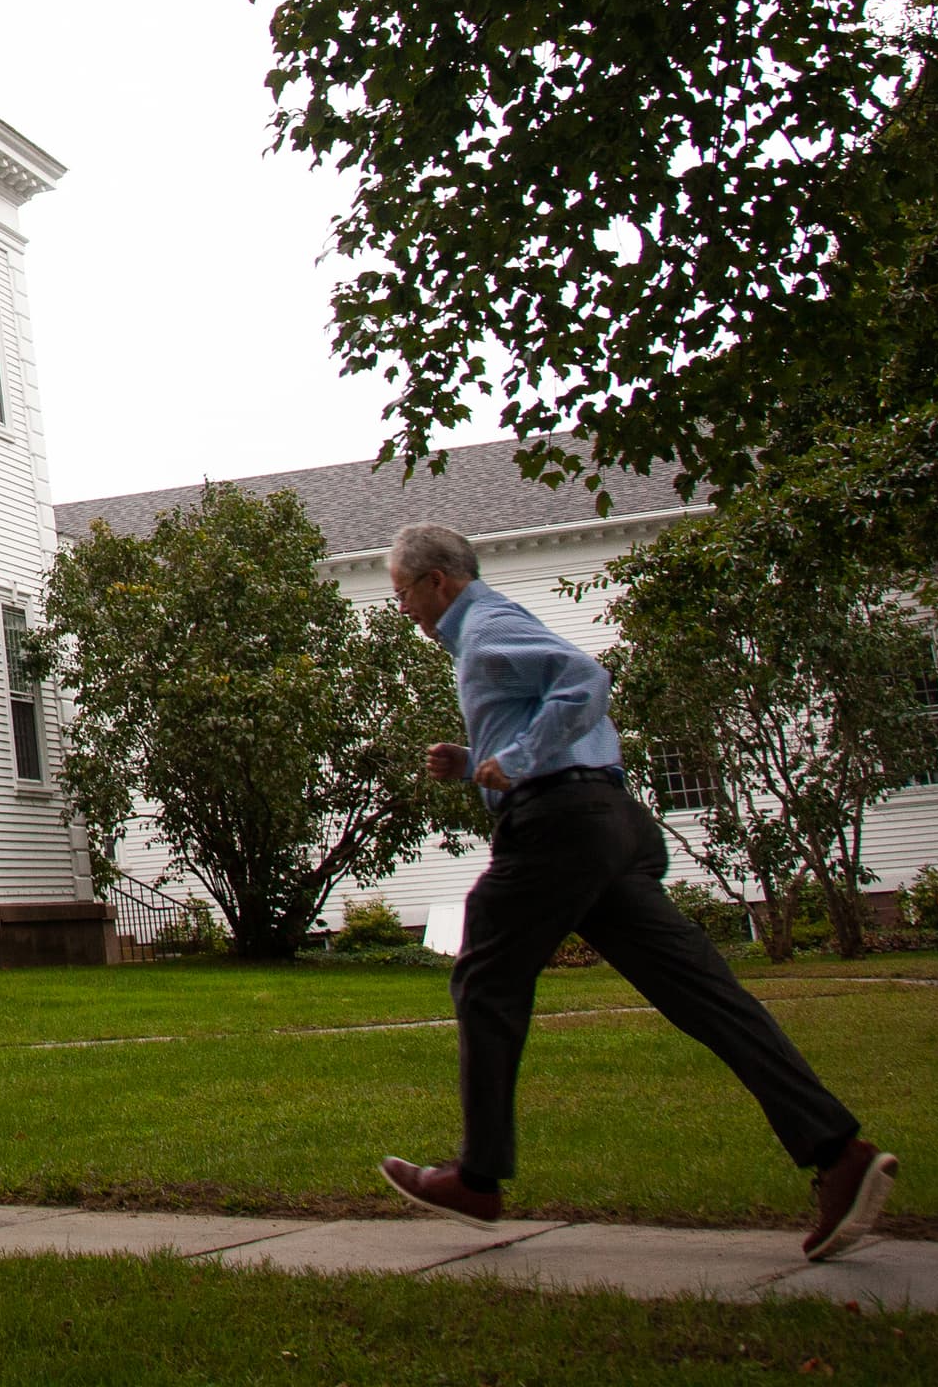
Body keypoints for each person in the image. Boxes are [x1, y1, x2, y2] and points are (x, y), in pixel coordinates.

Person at [376, 521, 896, 1262]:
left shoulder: (485, 630)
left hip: (558, 827)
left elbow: (584, 680)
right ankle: (837, 1151)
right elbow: (562, 716)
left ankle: (477, 1178)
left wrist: (517, 757)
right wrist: (477, 762)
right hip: (606, 825)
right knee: (702, 992)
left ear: (437, 582)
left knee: (486, 981)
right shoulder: (497, 624)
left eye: (403, 595)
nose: (404, 613)